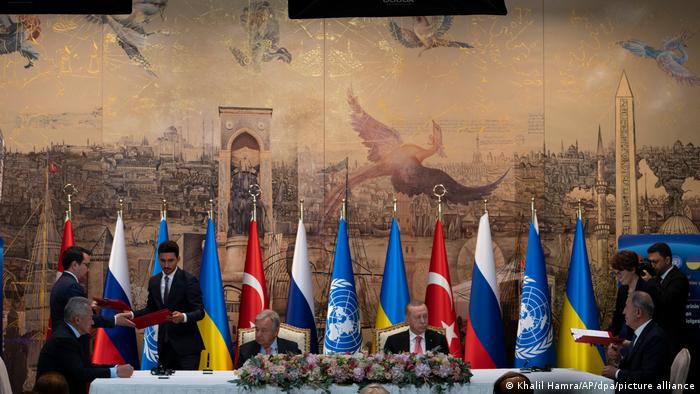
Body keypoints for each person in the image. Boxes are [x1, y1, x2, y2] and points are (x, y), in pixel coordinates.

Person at [130, 240, 204, 370]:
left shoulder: (189, 280)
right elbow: (151, 309)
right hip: (164, 347)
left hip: (187, 348)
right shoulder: (154, 281)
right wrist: (131, 314)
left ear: (178, 259)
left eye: (170, 261)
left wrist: (184, 317)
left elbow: (199, 312)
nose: (166, 265)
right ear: (159, 259)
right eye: (163, 261)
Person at [36, 297, 134, 394]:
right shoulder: (64, 339)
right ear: (77, 320)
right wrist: (115, 372)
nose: (92, 322)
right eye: (90, 318)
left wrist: (116, 368)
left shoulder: (70, 334)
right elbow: (80, 373)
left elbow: (86, 366)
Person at [49, 246, 133, 331]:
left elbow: (73, 313)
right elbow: (83, 319)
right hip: (70, 340)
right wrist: (115, 320)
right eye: (86, 265)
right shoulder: (72, 286)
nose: (88, 269)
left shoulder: (63, 282)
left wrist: (92, 307)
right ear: (74, 265)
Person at [601, 291, 670, 392]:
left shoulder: (655, 338)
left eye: (626, 307)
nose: (623, 311)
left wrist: (616, 373)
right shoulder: (643, 332)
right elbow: (635, 365)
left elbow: (648, 379)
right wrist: (619, 358)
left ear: (638, 312)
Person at [641, 242, 689, 356]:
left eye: (655, 261)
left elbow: (667, 301)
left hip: (671, 338)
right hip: (656, 337)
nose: (652, 265)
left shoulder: (679, 279)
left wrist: (651, 282)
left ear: (667, 260)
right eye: (650, 261)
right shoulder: (656, 279)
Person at [236, 309, 301, 369]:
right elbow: (238, 375)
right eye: (257, 329)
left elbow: (299, 372)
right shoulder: (245, 350)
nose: (258, 334)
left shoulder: (291, 348)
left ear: (276, 332)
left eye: (264, 330)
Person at [608, 251, 649, 341]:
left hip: (644, 342)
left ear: (632, 269)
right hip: (625, 340)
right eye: (616, 273)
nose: (618, 277)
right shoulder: (622, 290)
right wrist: (608, 339)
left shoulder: (648, 289)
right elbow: (618, 318)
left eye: (620, 273)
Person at [383, 301, 449, 354]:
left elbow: (447, 366)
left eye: (425, 316)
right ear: (407, 319)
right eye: (418, 317)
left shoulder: (439, 339)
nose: (423, 321)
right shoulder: (393, 341)